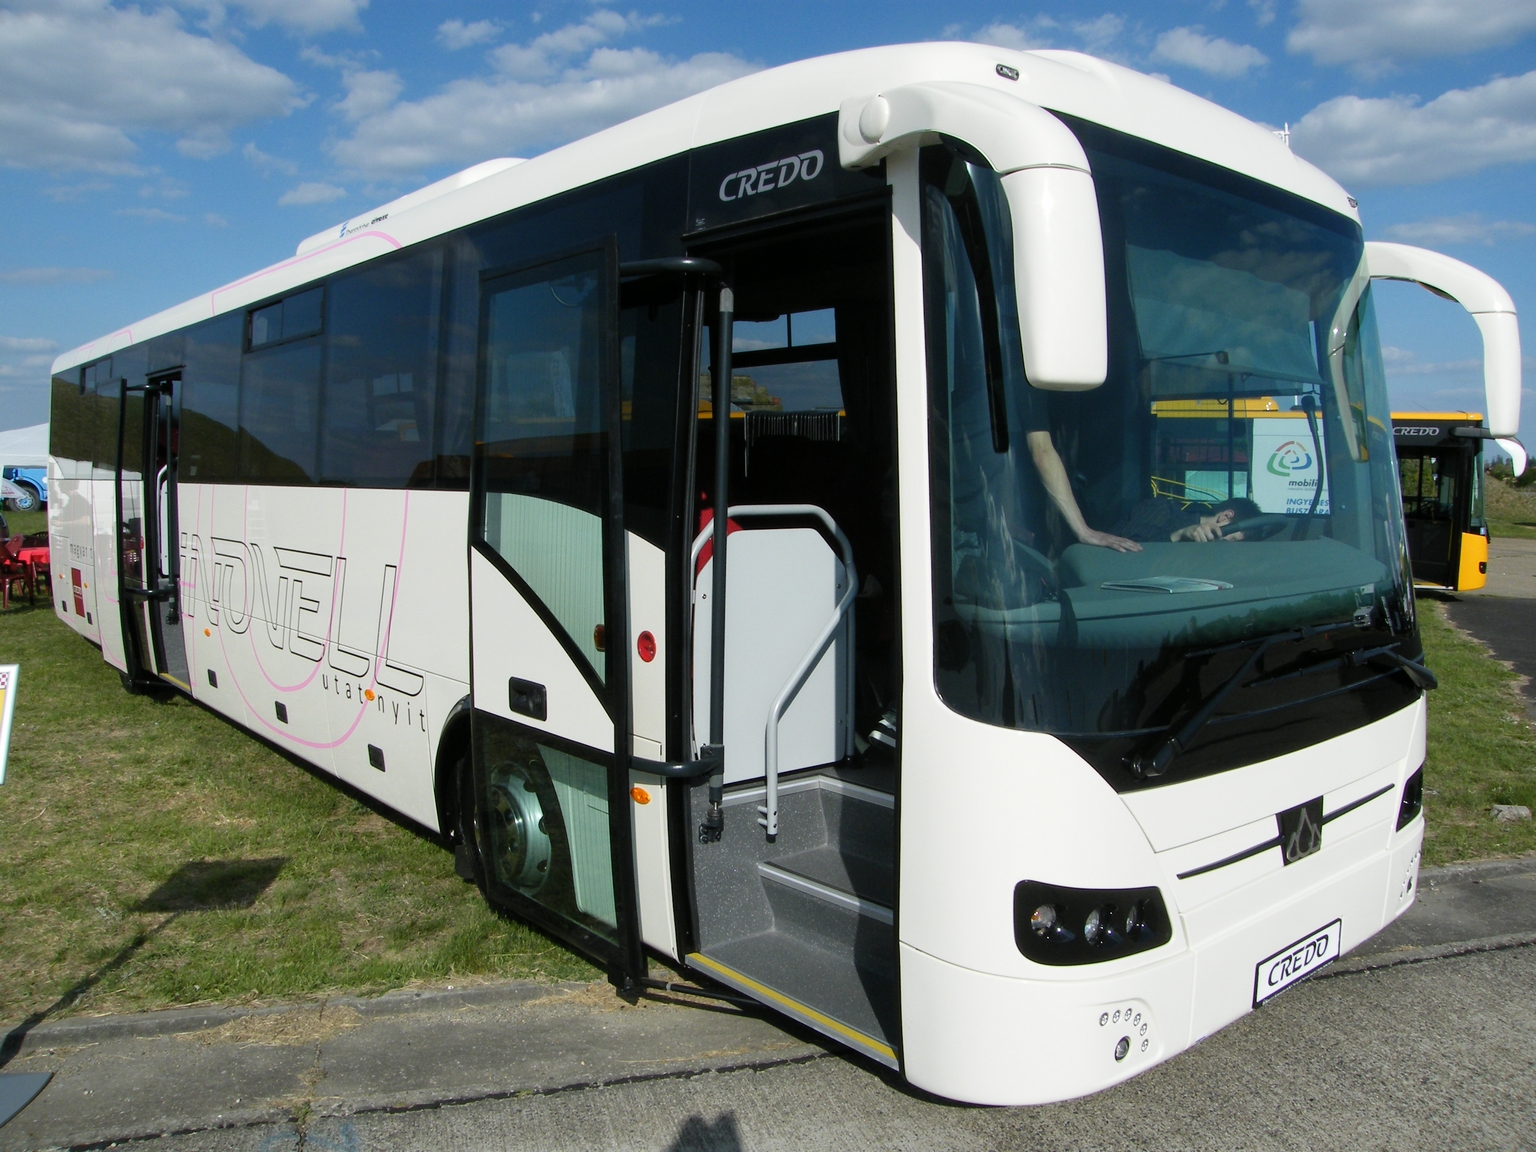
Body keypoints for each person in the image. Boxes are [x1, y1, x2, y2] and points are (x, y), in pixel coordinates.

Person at [1111, 496, 1261, 543]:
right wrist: (1179, 535)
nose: (1228, 546)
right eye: (1232, 539)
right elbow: (1128, 546)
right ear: (1225, 516)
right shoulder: (1162, 509)